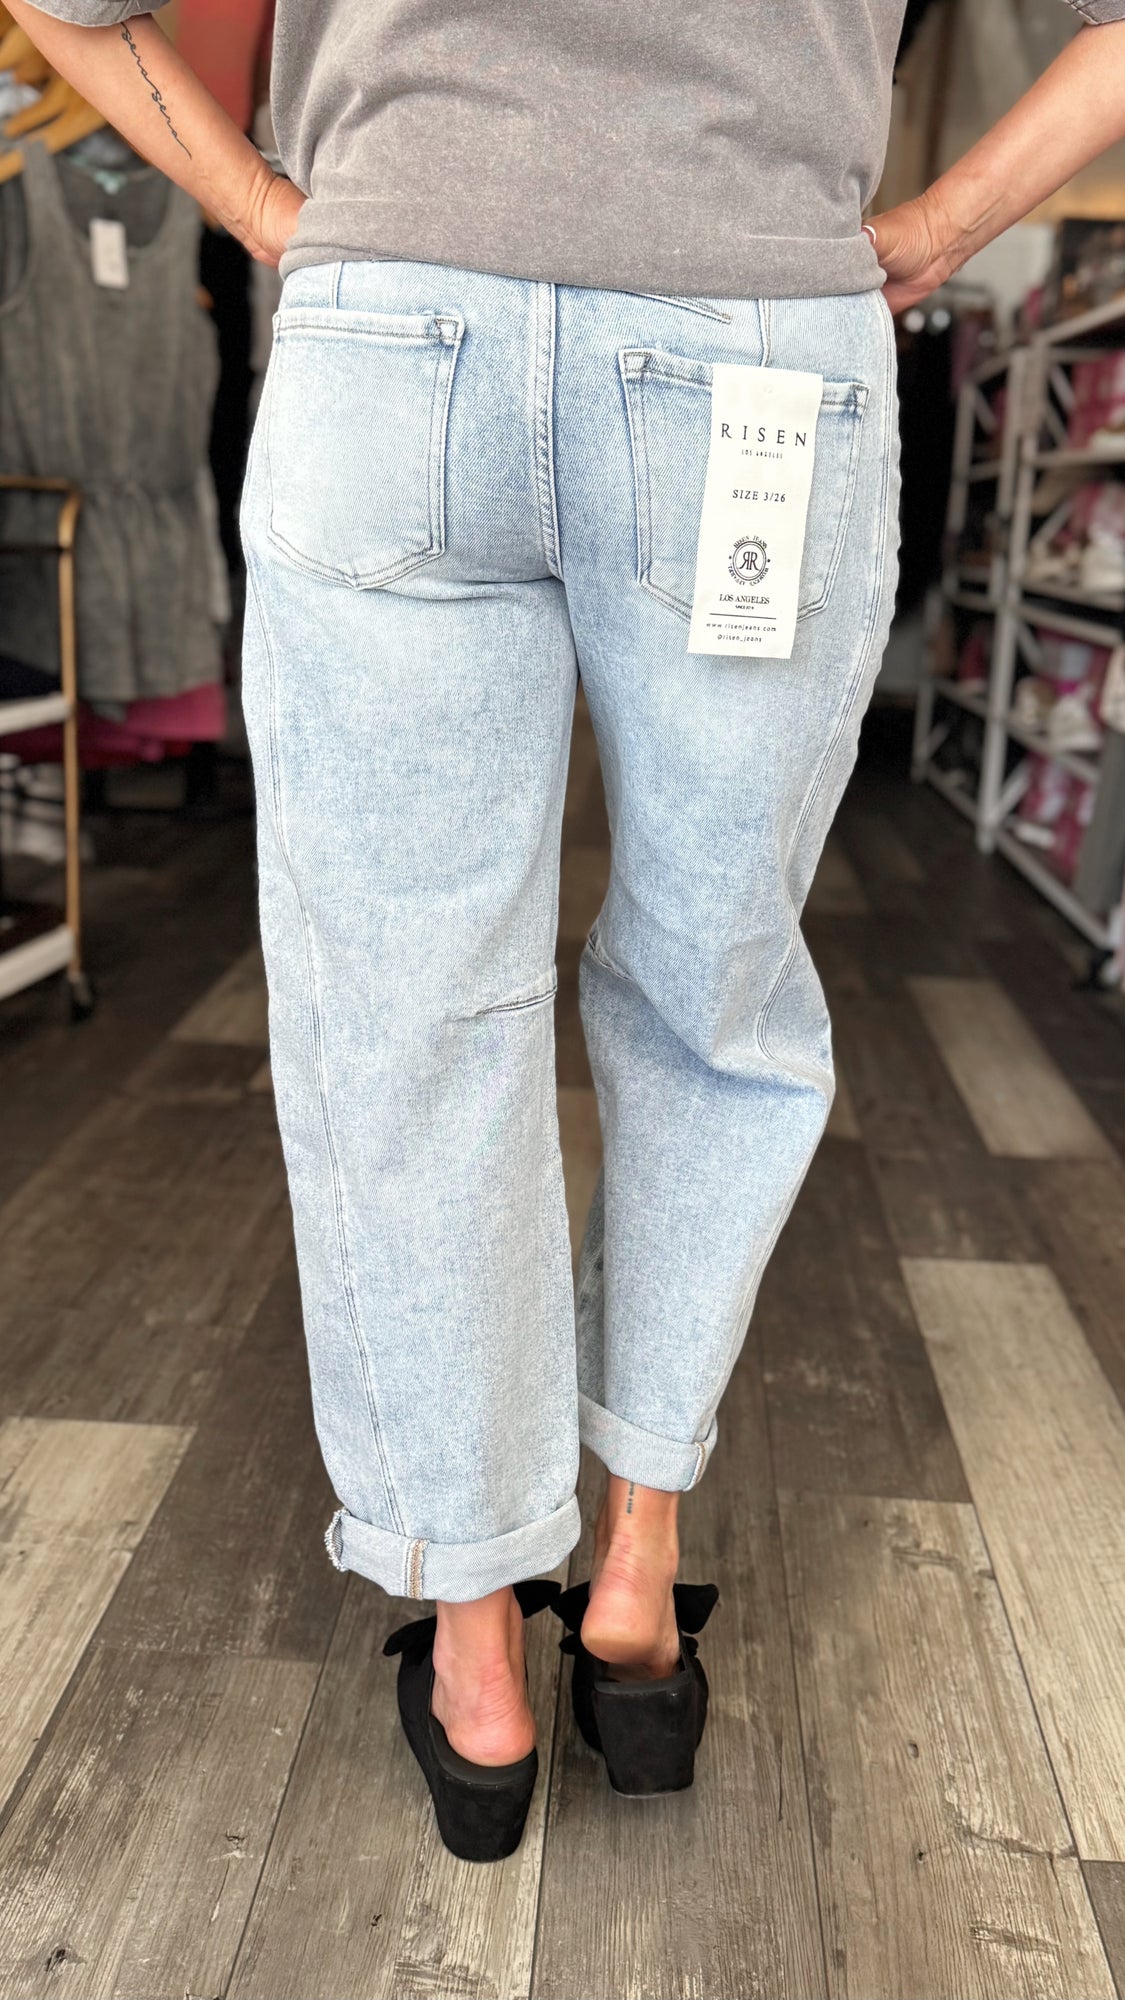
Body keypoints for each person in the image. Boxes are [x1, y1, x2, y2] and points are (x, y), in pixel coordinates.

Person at [10, 0, 1125, 1862]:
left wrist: (276, 212)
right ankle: (631, 1578)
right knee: (710, 991)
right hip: (757, 337)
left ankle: (475, 1657)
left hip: (390, 324)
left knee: (406, 1013)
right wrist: (934, 229)